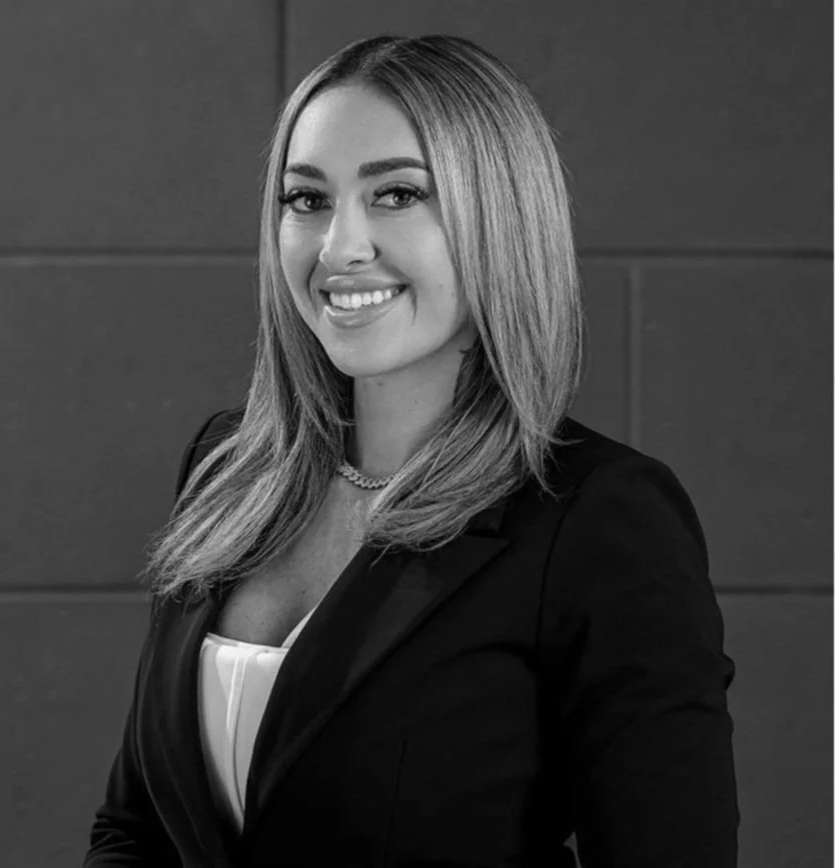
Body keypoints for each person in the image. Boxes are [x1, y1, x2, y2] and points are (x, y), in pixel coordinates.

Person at [84, 34, 739, 867]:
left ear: (497, 218)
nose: (338, 248)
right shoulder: (226, 469)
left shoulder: (599, 517)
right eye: (305, 199)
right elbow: (135, 828)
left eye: (397, 194)